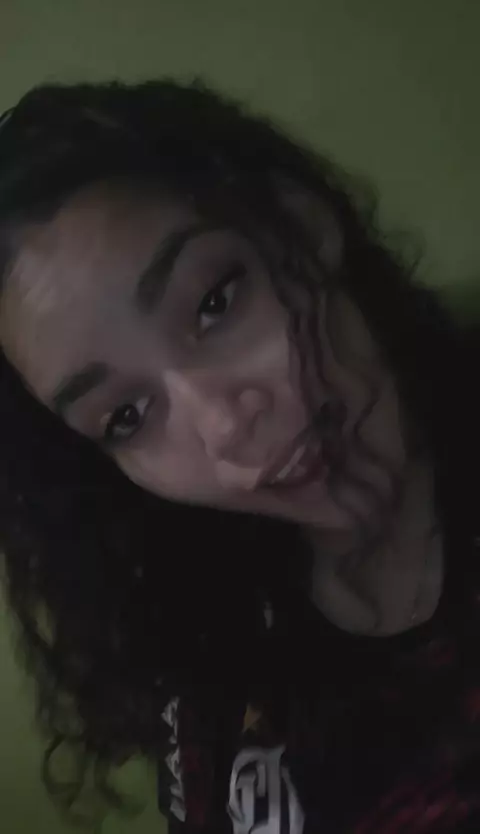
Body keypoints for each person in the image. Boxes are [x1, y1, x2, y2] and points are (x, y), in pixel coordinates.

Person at [0, 80, 478, 834]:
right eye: (125, 417)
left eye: (215, 303)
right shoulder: (206, 646)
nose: (225, 425)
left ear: (301, 224)